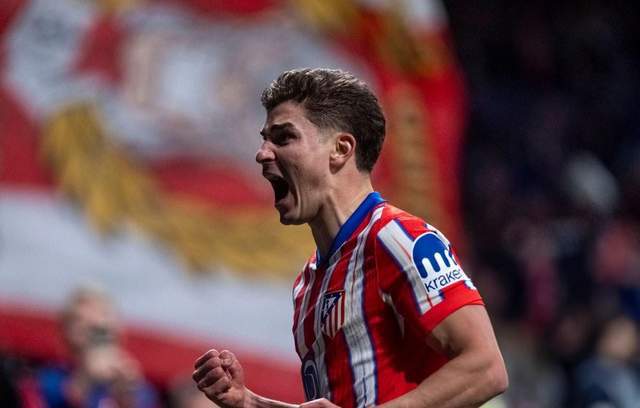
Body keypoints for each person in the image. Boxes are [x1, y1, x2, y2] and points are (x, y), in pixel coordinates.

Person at [193, 68, 508, 407]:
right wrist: (250, 403)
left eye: (283, 138)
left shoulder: (399, 238)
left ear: (340, 149)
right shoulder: (306, 285)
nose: (262, 153)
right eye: (265, 140)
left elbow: (486, 368)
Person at [38, 286, 159, 408]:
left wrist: (126, 397)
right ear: (65, 332)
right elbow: (52, 397)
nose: (94, 323)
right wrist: (85, 380)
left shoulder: (139, 388)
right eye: (79, 319)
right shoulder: (52, 379)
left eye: (103, 315)